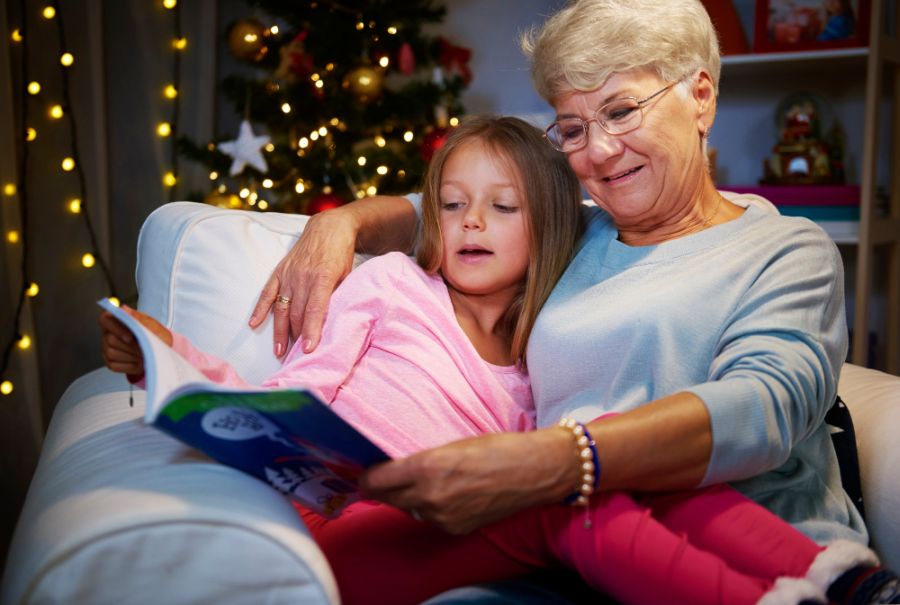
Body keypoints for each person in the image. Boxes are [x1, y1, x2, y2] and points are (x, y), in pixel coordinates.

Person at [248, 1, 900, 604]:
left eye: (621, 111)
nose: (600, 150)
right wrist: (340, 223)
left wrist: (568, 457)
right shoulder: (570, 231)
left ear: (700, 96)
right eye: (573, 128)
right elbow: (450, 208)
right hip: (569, 540)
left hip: (738, 534)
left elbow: (764, 406)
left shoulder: (786, 248)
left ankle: (843, 584)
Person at [101, 117, 880, 605]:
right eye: (452, 205)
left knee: (619, 461)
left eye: (503, 206)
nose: (472, 221)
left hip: (441, 527)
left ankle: (843, 577)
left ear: (551, 229)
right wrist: (164, 355)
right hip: (331, 531)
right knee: (563, 492)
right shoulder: (391, 285)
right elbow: (288, 393)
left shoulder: (545, 358)